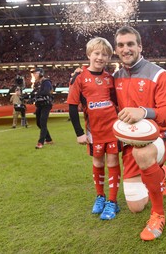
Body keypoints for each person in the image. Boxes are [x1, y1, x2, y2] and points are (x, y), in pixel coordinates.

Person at [113, 26, 166, 241]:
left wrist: (143, 112)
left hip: (160, 137)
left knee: (143, 154)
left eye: (130, 44)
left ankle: (158, 214)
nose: (126, 49)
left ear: (140, 46)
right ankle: (160, 174)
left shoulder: (159, 74)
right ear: (116, 49)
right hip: (131, 142)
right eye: (121, 45)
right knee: (135, 206)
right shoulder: (116, 77)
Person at [67, 37, 121, 220]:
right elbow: (72, 107)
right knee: (98, 163)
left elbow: (117, 102)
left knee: (113, 162)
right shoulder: (79, 79)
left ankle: (112, 201)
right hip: (94, 131)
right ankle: (100, 197)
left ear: (108, 58)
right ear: (89, 54)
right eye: (97, 53)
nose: (100, 57)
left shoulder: (109, 79)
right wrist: (79, 133)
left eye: (105, 55)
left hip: (113, 129)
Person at [31, 67, 54, 149]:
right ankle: (49, 139)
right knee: (38, 123)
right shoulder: (37, 84)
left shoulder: (46, 82)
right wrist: (28, 97)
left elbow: (46, 91)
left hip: (46, 104)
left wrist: (36, 94)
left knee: (43, 123)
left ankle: (40, 142)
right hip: (40, 105)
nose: (34, 75)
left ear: (40, 73)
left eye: (35, 73)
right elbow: (33, 93)